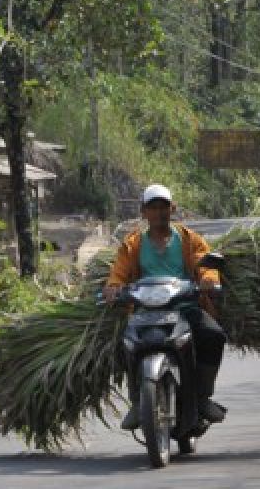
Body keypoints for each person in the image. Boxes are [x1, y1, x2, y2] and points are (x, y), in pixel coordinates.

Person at [104, 183, 228, 430]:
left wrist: (207, 280)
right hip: (144, 310)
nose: (159, 213)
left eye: (164, 207)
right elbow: (118, 273)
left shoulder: (188, 239)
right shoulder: (132, 244)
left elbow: (205, 264)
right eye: (153, 208)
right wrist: (113, 288)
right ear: (143, 212)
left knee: (213, 336)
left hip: (183, 306)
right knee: (124, 345)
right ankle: (138, 400)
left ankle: (202, 397)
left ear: (173, 209)